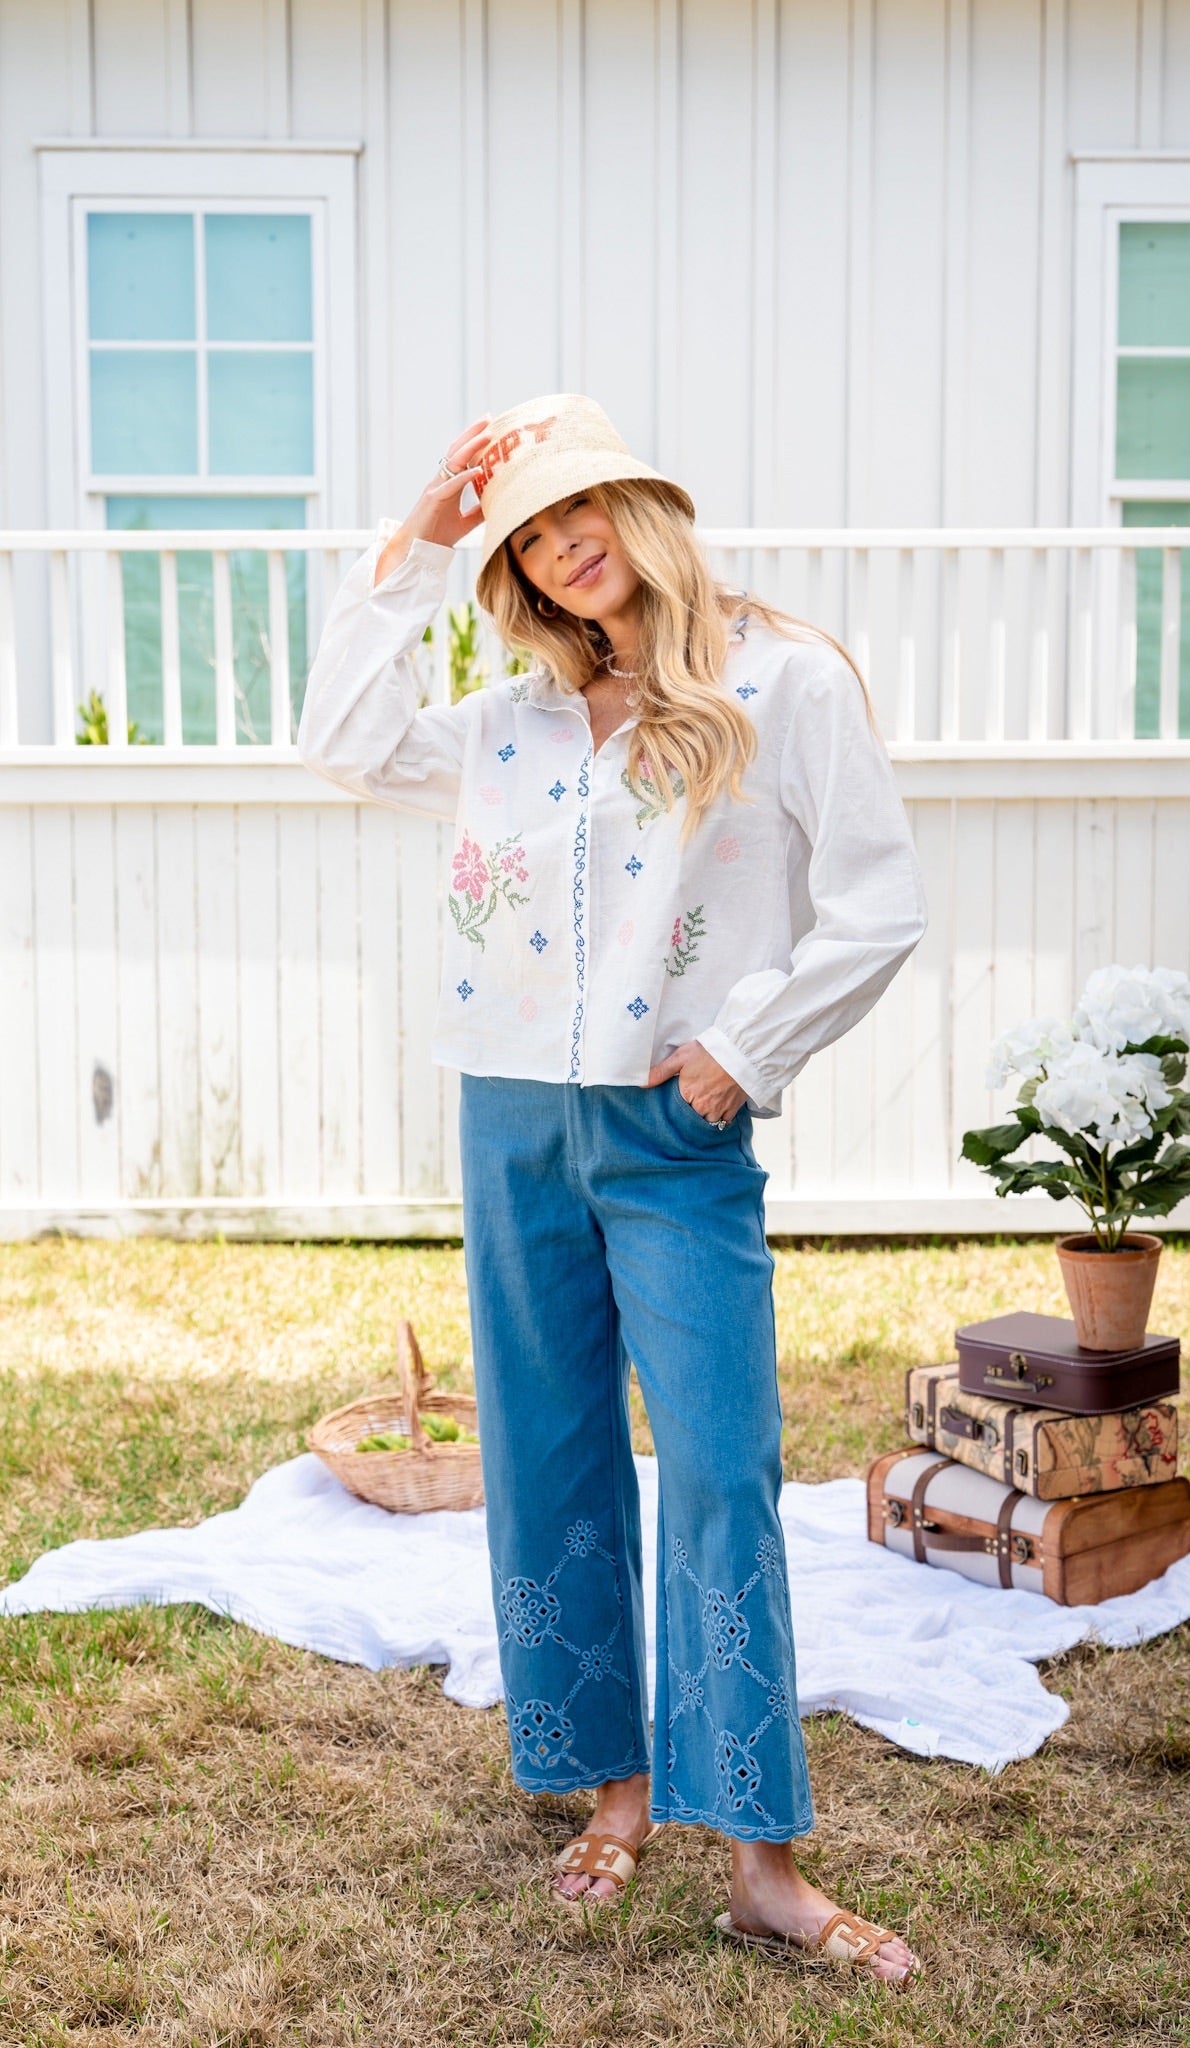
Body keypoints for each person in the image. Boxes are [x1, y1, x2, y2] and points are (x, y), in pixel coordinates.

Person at [297, 394, 929, 1991]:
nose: (558, 546)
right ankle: (614, 1790)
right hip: (511, 1114)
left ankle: (762, 1862)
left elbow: (877, 903)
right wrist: (419, 542)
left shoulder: (786, 679)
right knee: (549, 1452)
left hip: (670, 1126)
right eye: (525, 535)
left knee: (719, 1464)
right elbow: (341, 740)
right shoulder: (512, 720)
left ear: (639, 508)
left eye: (575, 508)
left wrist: (743, 1048)